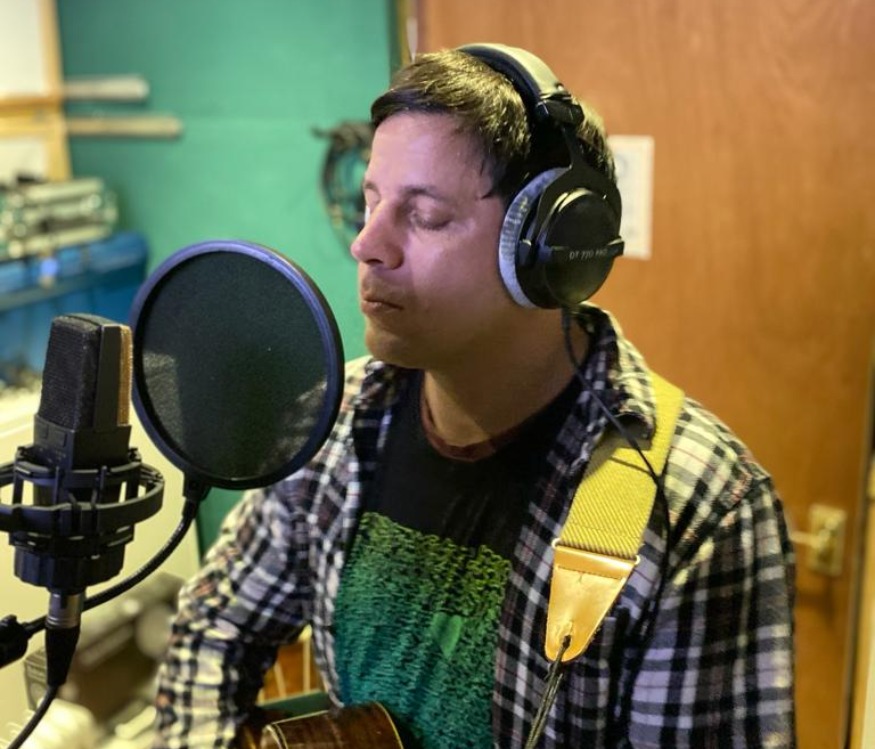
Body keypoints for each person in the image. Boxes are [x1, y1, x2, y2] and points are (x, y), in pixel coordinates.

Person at [153, 43, 796, 748]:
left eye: (425, 216)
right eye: (370, 202)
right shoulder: (337, 420)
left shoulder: (696, 506)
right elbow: (214, 626)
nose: (367, 245)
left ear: (547, 249)